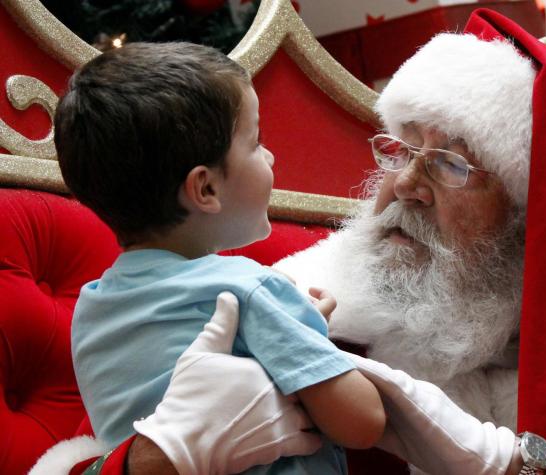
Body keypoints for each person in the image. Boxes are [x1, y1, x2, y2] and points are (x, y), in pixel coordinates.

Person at [35, 9, 546, 475]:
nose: (404, 186)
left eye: (449, 162)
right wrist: (157, 460)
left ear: (531, 224)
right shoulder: (267, 300)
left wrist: (515, 465)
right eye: (397, 149)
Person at [51, 42, 385, 474]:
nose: (270, 155)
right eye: (256, 141)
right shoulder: (248, 288)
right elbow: (364, 423)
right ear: (205, 189)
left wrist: (291, 328)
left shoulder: (92, 311)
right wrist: (304, 334)